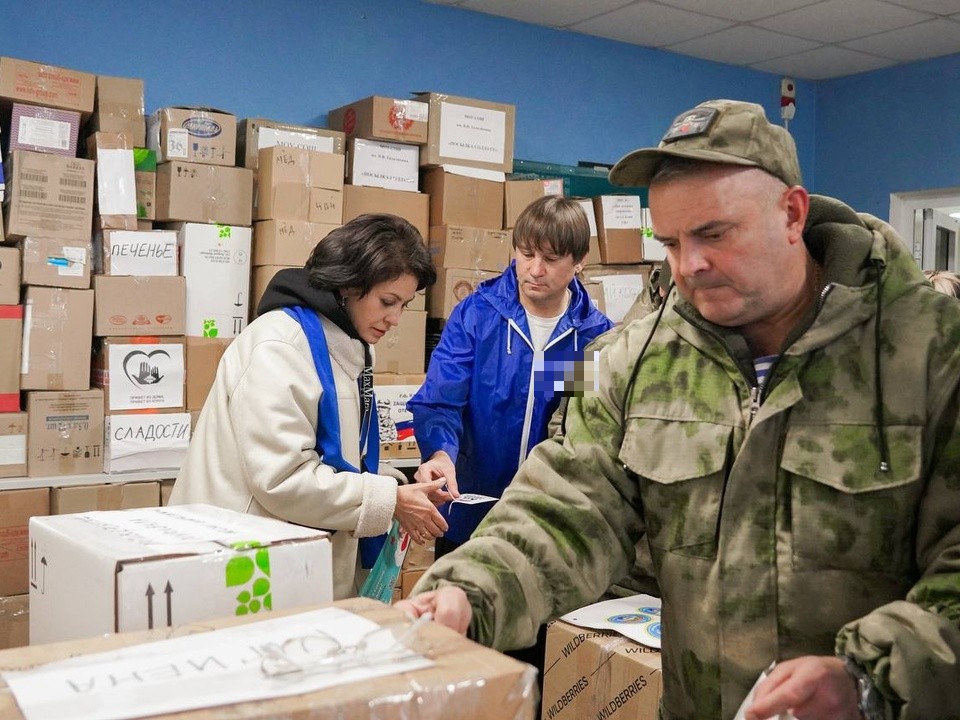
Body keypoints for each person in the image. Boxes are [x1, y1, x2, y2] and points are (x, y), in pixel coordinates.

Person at [397, 100, 960, 719]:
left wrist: (869, 679)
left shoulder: (931, 352)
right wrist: (466, 593)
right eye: (670, 241)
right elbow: (566, 508)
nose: (689, 265)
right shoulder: (635, 358)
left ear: (793, 214)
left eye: (714, 234)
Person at [171, 214, 451, 600]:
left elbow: (336, 453)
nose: (396, 319)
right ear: (348, 285)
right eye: (388, 302)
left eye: (404, 304)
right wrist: (390, 501)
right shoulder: (280, 346)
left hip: (292, 557)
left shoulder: (348, 344)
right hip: (245, 565)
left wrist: (401, 487)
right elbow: (282, 478)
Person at [407, 194, 613, 558]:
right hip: (469, 516)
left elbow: (582, 430)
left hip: (546, 525)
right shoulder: (477, 316)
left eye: (550, 259)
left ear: (579, 262)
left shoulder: (593, 337)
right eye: (527, 254)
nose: (535, 269)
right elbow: (441, 400)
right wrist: (440, 454)